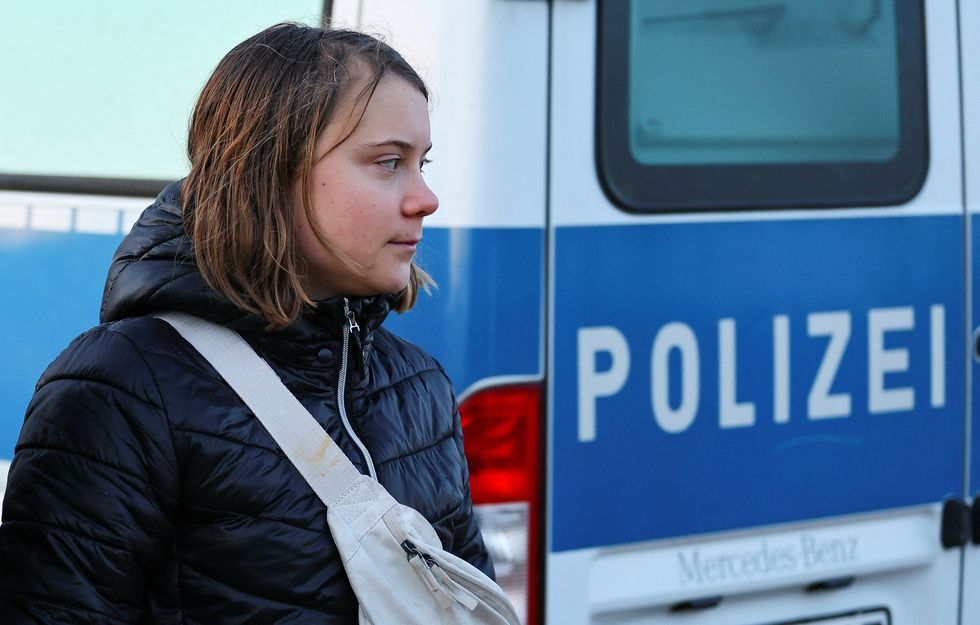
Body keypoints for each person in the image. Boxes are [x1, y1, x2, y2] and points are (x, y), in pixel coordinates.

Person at [0, 23, 493, 624]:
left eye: (423, 164)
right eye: (388, 162)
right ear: (270, 171)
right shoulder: (122, 386)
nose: (426, 198)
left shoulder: (420, 385)